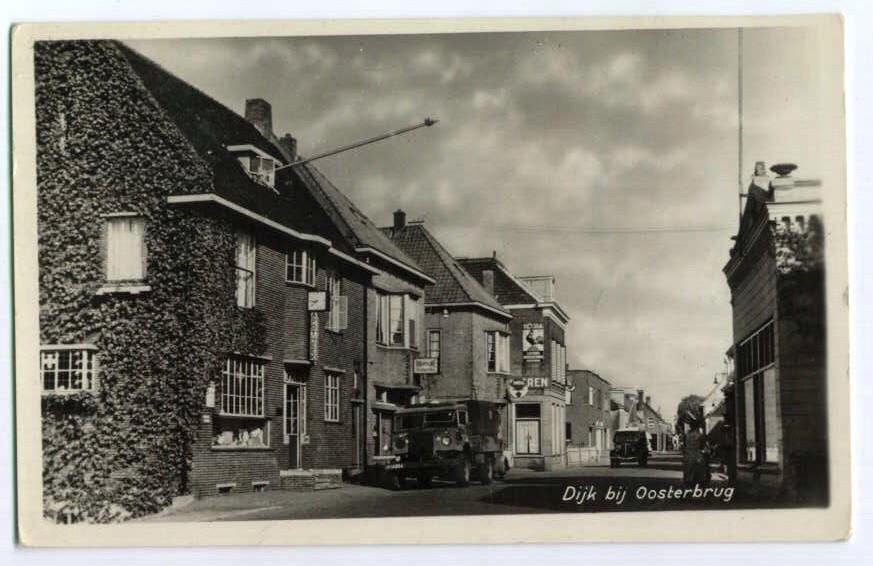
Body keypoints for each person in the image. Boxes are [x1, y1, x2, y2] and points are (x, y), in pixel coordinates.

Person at [682, 419, 710, 487]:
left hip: (688, 455)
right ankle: (699, 484)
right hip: (697, 454)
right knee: (700, 470)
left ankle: (688, 483)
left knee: (688, 470)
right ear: (697, 427)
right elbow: (703, 446)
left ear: (691, 426)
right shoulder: (700, 435)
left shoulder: (686, 435)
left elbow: (684, 445)